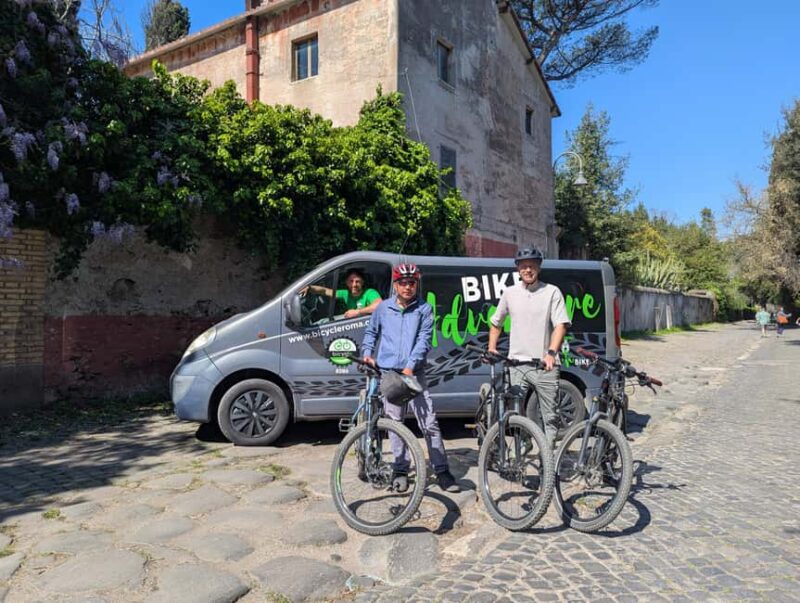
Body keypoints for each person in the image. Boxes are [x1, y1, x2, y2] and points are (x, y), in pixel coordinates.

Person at [361, 263, 460, 493]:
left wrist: (410, 366)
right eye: (403, 283)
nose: (407, 287)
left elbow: (424, 340)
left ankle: (442, 469)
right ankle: (401, 470)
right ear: (395, 285)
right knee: (395, 424)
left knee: (429, 422)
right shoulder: (383, 309)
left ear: (417, 284)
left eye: (412, 283)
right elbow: (371, 332)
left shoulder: (424, 309)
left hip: (414, 374)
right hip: (389, 373)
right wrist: (367, 353)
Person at [488, 246, 571, 449]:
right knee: (514, 412)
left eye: (532, 266)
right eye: (524, 266)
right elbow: (496, 322)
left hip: (545, 366)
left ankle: (548, 459)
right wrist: (492, 348)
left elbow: (561, 324)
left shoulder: (552, 292)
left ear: (539, 268)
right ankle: (524, 443)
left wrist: (551, 352)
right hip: (517, 364)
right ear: (518, 269)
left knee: (550, 416)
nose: (528, 270)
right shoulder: (510, 293)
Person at [303, 268, 381, 319]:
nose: (354, 285)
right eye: (351, 281)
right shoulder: (345, 293)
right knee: (324, 322)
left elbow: (379, 306)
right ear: (347, 282)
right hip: (352, 322)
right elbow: (325, 291)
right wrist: (309, 288)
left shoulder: (370, 292)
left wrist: (357, 312)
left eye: (357, 281)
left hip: (366, 325)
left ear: (362, 282)